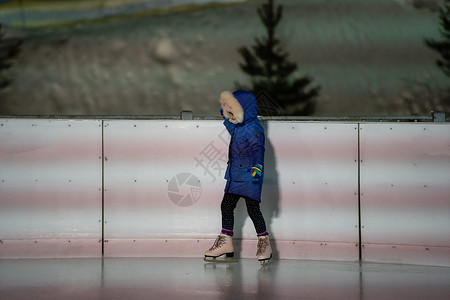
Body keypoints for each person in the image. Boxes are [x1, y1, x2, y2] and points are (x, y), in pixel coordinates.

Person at [204, 90, 272, 264]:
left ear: (243, 109)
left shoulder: (254, 127)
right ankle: (226, 241)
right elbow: (229, 123)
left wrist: (257, 167)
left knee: (253, 210)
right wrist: (226, 114)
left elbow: (258, 149)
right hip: (235, 176)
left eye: (232, 107)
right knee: (226, 205)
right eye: (228, 107)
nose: (229, 111)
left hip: (250, 176)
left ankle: (264, 243)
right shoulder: (238, 125)